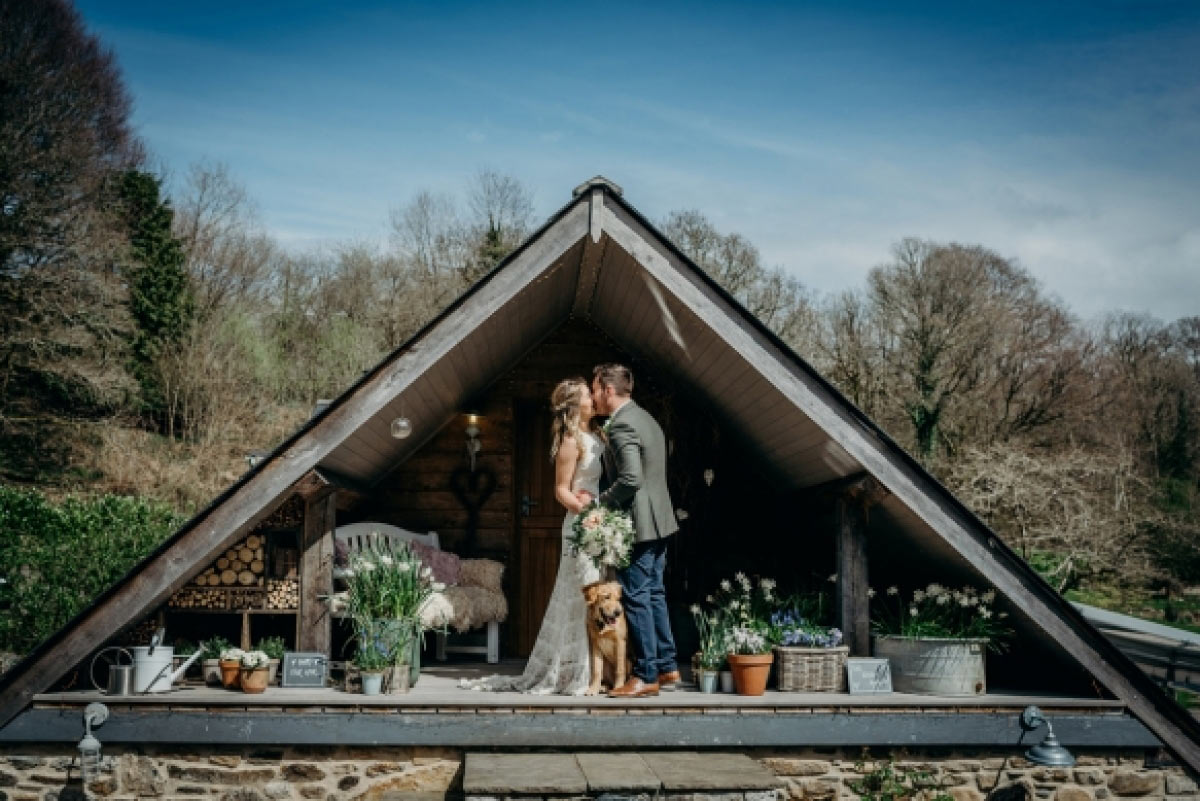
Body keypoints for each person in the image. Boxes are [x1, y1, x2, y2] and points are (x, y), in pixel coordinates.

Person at [462, 377, 603, 695]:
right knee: (579, 597)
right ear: (573, 405)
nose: (593, 398)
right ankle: (571, 673)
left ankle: (595, 672)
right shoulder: (571, 439)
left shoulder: (596, 433)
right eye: (586, 395)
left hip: (601, 524)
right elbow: (560, 491)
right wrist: (586, 513)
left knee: (597, 597)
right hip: (582, 525)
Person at [589, 363, 680, 698]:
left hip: (640, 524)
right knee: (654, 592)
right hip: (661, 521)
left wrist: (601, 504)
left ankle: (645, 675)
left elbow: (630, 479)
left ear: (608, 391)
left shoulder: (622, 425)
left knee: (638, 597)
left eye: (595, 388)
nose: (594, 396)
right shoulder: (646, 418)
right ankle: (667, 665)